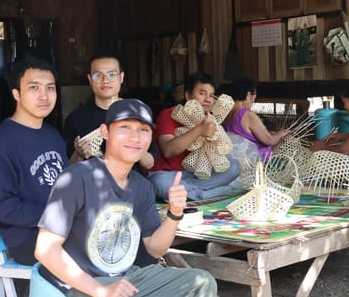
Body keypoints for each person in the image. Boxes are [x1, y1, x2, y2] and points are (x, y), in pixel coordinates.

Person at [35, 99, 216, 297]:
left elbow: (155, 249)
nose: (135, 137)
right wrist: (99, 290)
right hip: (78, 291)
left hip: (126, 278)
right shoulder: (76, 178)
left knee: (201, 284)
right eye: (125, 128)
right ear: (105, 132)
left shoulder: (141, 186)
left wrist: (174, 213)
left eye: (143, 130)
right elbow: (45, 249)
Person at [0, 56, 67, 297]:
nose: (44, 96)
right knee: (92, 251)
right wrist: (57, 217)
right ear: (16, 94)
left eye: (50, 88)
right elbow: (3, 207)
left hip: (62, 229)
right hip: (27, 238)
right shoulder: (0, 144)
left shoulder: (52, 135)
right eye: (34, 88)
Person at [148, 71, 241, 201]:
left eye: (212, 95)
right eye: (202, 93)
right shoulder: (169, 114)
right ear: (187, 95)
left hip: (196, 175)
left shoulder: (210, 119)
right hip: (169, 175)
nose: (208, 99)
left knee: (234, 166)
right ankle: (204, 194)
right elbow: (168, 151)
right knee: (159, 182)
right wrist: (199, 130)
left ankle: (189, 192)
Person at [62, 54, 154, 169]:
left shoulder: (138, 112)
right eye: (97, 75)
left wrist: (134, 145)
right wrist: (79, 154)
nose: (105, 80)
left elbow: (149, 164)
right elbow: (68, 168)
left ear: (121, 77)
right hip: (92, 183)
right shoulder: (76, 119)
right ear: (90, 79)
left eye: (112, 74)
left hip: (133, 183)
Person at [221, 78, 290, 161]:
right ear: (249, 95)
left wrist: (269, 133)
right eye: (253, 99)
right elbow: (270, 141)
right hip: (260, 163)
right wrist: (280, 134)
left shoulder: (224, 114)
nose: (252, 103)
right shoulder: (247, 115)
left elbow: (242, 134)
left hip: (239, 163)